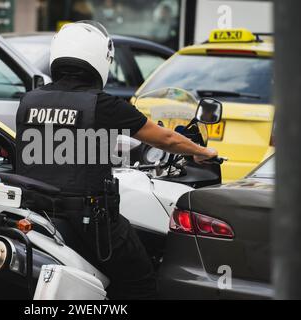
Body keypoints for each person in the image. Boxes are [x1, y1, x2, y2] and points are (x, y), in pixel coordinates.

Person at [15, 21, 217, 299]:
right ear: (100, 59)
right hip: (88, 220)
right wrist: (201, 151)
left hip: (36, 212)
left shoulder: (29, 100)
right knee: (141, 280)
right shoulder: (101, 104)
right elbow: (165, 139)